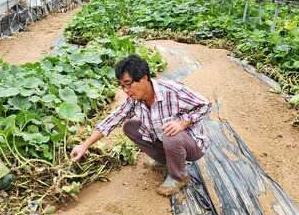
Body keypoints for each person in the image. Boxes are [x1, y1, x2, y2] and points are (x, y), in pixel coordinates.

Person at [70, 54, 212, 196]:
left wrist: (182, 123)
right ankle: (165, 161)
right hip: (167, 140)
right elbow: (113, 119)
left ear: (144, 78)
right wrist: (84, 145)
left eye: (128, 83)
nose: (126, 90)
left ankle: (178, 176)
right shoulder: (134, 99)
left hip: (193, 145)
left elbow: (205, 105)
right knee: (130, 127)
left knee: (170, 131)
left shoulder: (172, 90)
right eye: (122, 86)